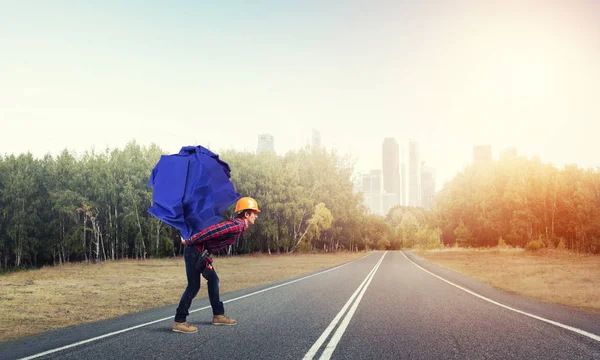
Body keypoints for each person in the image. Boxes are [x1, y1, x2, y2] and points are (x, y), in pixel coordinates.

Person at [172, 197, 260, 333]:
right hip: (194, 251)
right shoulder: (237, 225)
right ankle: (179, 321)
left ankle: (218, 315)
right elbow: (213, 231)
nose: (256, 215)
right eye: (254, 212)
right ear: (246, 214)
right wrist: (190, 241)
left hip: (201, 253)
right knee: (193, 286)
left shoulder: (239, 226)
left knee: (213, 280)